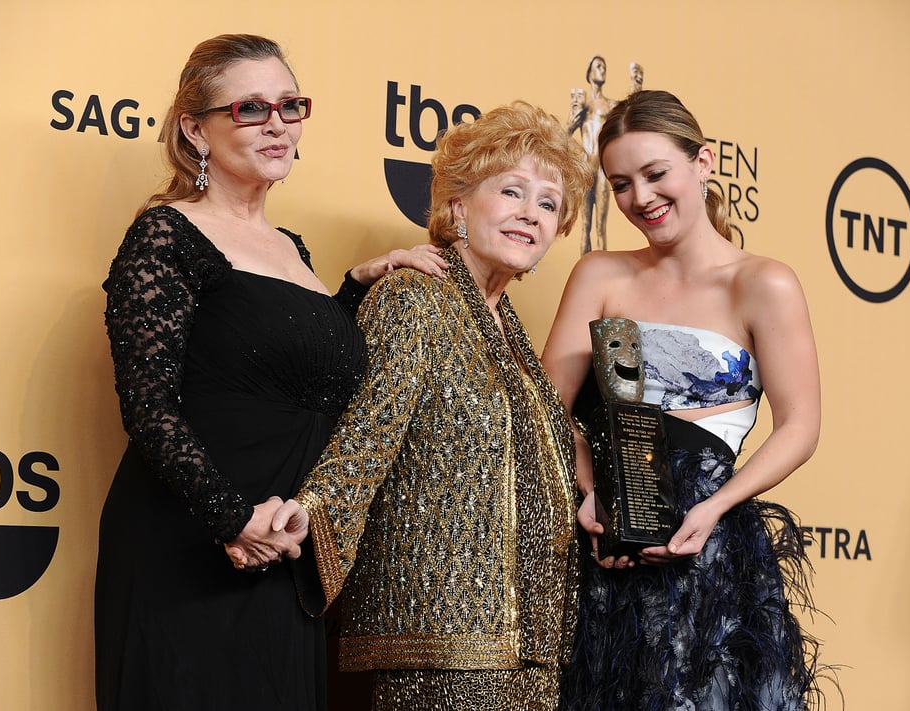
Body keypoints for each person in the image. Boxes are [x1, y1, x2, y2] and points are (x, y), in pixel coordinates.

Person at [94, 33, 446, 711]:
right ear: (196, 130)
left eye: (291, 104)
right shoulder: (167, 233)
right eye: (251, 108)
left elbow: (291, 375)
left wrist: (354, 289)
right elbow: (148, 405)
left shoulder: (292, 247)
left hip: (282, 551)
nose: (279, 122)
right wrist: (232, 519)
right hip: (196, 546)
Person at [256, 101, 594, 710]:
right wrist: (313, 512)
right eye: (512, 191)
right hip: (441, 637)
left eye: (548, 204)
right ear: (458, 205)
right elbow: (369, 434)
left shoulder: (509, 329)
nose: (530, 214)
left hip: (535, 640)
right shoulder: (415, 296)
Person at [543, 90, 826, 710]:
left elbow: (800, 425)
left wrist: (718, 507)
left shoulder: (762, 283)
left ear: (703, 163)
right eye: (620, 184)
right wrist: (591, 493)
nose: (640, 198)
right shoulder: (600, 274)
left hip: (709, 547)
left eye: (655, 173)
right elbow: (546, 409)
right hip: (609, 548)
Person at [568, 55, 617, 254]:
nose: (602, 70)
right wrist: (579, 150)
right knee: (584, 226)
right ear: (589, 73)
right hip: (586, 168)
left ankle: (602, 280)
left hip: (603, 170)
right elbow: (564, 136)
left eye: (604, 66)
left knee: (600, 228)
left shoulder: (611, 105)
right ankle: (584, 274)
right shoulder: (581, 105)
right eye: (598, 66)